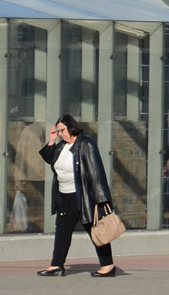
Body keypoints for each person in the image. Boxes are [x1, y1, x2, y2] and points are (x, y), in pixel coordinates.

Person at [36, 114, 118, 277]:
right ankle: (56, 265)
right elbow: (49, 157)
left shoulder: (86, 144)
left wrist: (101, 199)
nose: (60, 134)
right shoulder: (62, 146)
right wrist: (52, 141)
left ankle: (107, 265)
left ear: (71, 127)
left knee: (96, 230)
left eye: (62, 130)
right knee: (62, 231)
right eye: (58, 131)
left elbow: (96, 172)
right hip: (64, 197)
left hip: (84, 197)